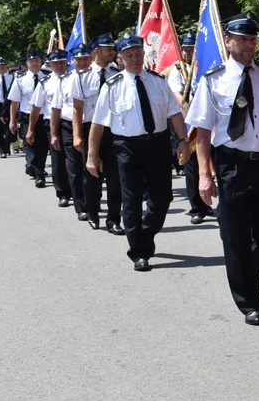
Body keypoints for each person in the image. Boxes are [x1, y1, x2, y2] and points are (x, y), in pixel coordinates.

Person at [188, 13, 259, 325]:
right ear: (227, 42)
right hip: (231, 164)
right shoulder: (213, 79)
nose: (249, 44)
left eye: (252, 38)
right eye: (242, 39)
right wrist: (205, 174)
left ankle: (246, 279)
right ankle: (249, 303)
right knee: (236, 238)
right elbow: (202, 131)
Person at [86, 35, 189, 271]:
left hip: (159, 145)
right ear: (120, 58)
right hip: (127, 147)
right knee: (131, 200)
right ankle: (139, 252)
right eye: (129, 55)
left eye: (138, 54)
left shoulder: (158, 82)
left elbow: (174, 114)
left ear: (144, 55)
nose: (134, 58)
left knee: (163, 199)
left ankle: (145, 232)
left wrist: (183, 140)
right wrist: (92, 155)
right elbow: (98, 124)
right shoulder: (112, 86)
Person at [71, 34, 124, 234]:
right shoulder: (81, 76)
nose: (112, 52)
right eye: (108, 49)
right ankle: (93, 212)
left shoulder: (118, 73)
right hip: (90, 128)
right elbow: (77, 109)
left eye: (112, 48)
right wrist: (77, 135)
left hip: (114, 129)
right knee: (92, 174)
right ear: (96, 51)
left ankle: (113, 219)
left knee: (115, 176)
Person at [166, 34, 214, 224]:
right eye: (185, 49)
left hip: (207, 124)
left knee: (211, 165)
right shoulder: (177, 70)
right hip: (188, 123)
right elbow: (176, 94)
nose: (188, 52)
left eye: (191, 48)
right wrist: (192, 110)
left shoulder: (201, 67)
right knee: (192, 167)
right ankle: (196, 208)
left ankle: (207, 202)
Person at [28, 49, 73, 207]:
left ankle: (76, 188)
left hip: (72, 122)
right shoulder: (45, 82)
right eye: (56, 63)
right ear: (50, 64)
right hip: (52, 124)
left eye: (62, 62)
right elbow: (35, 107)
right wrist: (30, 129)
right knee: (58, 158)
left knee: (74, 158)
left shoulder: (74, 79)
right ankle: (62, 192)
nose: (59, 65)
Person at [50, 45, 91, 221]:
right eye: (78, 59)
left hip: (93, 125)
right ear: (72, 61)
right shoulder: (64, 81)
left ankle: (93, 202)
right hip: (69, 126)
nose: (82, 62)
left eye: (85, 58)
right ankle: (81, 206)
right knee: (75, 167)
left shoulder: (97, 77)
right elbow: (56, 109)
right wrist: (54, 134)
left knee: (93, 166)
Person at [9, 50, 50, 188]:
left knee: (43, 146)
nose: (34, 63)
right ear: (26, 63)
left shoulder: (48, 76)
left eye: (36, 60)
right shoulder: (20, 78)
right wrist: (12, 120)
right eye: (31, 61)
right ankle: (39, 175)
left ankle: (35, 166)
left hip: (44, 116)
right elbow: (14, 101)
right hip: (26, 116)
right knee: (31, 144)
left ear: (41, 61)